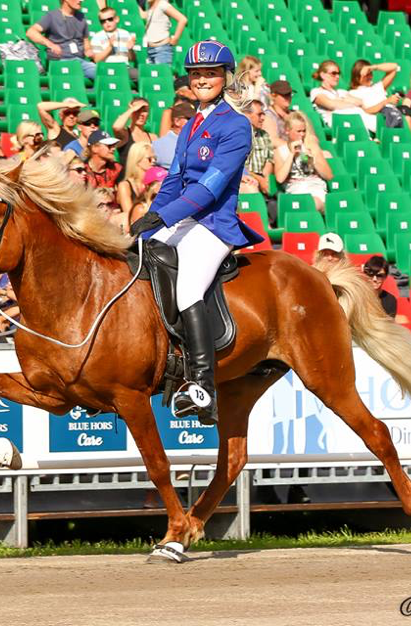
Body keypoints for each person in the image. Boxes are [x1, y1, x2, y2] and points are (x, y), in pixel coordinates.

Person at [128, 40, 264, 424]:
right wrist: (149, 218)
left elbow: (211, 188)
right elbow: (173, 180)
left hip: (214, 225)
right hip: (183, 219)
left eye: (210, 73)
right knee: (136, 259)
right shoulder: (191, 124)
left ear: (224, 77)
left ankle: (202, 387)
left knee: (188, 287)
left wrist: (164, 218)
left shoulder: (236, 125)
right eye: (196, 74)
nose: (202, 79)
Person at [273, 110, 332, 212]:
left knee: (312, 203)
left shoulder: (312, 147)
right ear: (287, 130)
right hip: (294, 190)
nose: (302, 134)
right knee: (301, 205)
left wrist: (313, 160)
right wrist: (291, 154)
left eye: (304, 131)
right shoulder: (280, 151)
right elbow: (280, 179)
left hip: (315, 188)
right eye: (298, 131)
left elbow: (329, 175)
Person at [27, 0, 97, 81]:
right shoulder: (51, 16)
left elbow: (85, 39)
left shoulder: (81, 17)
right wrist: (50, 44)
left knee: (101, 73)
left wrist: (88, 49)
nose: (81, 0)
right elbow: (31, 32)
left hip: (80, 62)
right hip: (60, 61)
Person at [348, 59, 410, 135]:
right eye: (366, 75)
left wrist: (372, 67)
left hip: (392, 114)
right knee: (406, 118)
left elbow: (394, 67)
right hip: (381, 118)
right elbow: (367, 111)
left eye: (370, 73)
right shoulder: (353, 93)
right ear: (357, 77)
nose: (370, 77)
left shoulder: (377, 87)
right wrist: (387, 101)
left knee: (408, 115)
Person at [309, 60, 365, 127]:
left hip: (351, 118)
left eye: (338, 73)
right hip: (336, 121)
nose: (337, 76)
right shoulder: (316, 91)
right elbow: (331, 105)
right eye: (333, 73)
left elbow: (361, 102)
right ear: (323, 75)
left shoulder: (341, 91)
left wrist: (339, 101)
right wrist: (345, 100)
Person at [90, 5, 137, 81]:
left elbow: (132, 59)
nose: (107, 22)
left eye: (110, 19)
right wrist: (110, 47)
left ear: (116, 19)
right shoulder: (97, 37)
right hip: (106, 68)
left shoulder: (125, 34)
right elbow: (97, 60)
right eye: (103, 21)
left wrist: (130, 50)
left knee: (140, 76)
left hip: (124, 68)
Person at [116, 141, 156, 224]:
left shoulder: (154, 183)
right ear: (137, 160)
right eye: (149, 159)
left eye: (155, 158)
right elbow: (130, 215)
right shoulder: (125, 186)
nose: (153, 161)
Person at [241, 99, 274, 197]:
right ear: (247, 115)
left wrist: (266, 179)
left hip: (261, 177)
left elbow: (269, 160)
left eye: (263, 114)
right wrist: (259, 179)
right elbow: (240, 167)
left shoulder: (265, 135)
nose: (263, 118)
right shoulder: (239, 136)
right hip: (245, 177)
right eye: (259, 114)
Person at [112, 97, 158, 164]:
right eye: (138, 110)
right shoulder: (125, 135)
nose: (141, 114)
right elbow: (116, 127)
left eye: (144, 111)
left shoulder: (153, 137)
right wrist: (132, 109)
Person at [140, 0, 187, 65]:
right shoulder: (150, 6)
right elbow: (143, 15)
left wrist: (175, 39)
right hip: (150, 50)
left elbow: (182, 19)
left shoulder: (163, 5)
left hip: (162, 50)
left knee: (162, 74)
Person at [152, 101, 194, 169]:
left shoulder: (199, 141)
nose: (194, 122)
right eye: (189, 119)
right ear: (177, 121)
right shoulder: (159, 145)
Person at [262, 79, 293, 147]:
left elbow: (310, 136)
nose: (288, 97)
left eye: (289, 94)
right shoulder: (268, 116)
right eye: (284, 95)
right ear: (273, 96)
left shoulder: (294, 114)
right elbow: (272, 140)